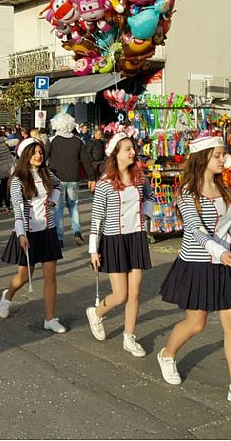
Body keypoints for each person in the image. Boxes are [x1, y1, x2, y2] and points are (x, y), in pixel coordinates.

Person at [156, 136, 231, 408]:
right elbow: (195, 230)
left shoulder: (223, 187)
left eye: (223, 154)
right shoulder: (188, 193)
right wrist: (219, 251)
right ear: (202, 157)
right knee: (196, 324)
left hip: (225, 262)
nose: (222, 159)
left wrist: (229, 248)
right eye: (217, 155)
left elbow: (226, 226)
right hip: (198, 263)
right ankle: (167, 354)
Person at [85, 133, 154, 357]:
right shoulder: (105, 184)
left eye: (133, 148)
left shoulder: (140, 178)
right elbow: (96, 218)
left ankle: (129, 337)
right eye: (127, 149)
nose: (133, 152)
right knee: (121, 295)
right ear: (116, 154)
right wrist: (93, 250)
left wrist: (146, 214)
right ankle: (96, 313)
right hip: (114, 240)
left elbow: (151, 196)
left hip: (136, 237)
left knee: (135, 292)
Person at [0, 138, 65, 333]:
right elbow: (17, 210)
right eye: (34, 152)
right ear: (25, 155)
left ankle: (50, 318)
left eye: (40, 152)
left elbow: (59, 186)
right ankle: (7, 295)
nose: (38, 155)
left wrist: (53, 200)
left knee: (50, 276)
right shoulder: (17, 179)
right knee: (25, 275)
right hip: (27, 232)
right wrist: (21, 234)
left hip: (48, 231)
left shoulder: (47, 173)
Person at [47, 113, 86, 245]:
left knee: (58, 208)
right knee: (73, 205)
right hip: (73, 177)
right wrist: (92, 178)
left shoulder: (52, 140)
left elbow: (44, 157)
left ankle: (59, 238)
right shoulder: (78, 141)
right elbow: (86, 160)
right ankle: (77, 231)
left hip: (56, 178)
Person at [0, 131, 15, 213]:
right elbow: (16, 141)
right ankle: (7, 204)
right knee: (7, 187)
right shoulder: (6, 143)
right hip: (8, 168)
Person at [82, 127, 105, 192]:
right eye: (99, 134)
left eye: (101, 134)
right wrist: (92, 160)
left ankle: (99, 189)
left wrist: (104, 160)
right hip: (94, 162)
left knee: (100, 176)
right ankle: (93, 189)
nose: (100, 135)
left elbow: (103, 151)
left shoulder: (102, 142)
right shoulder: (91, 142)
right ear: (95, 135)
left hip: (101, 161)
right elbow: (88, 152)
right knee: (94, 177)